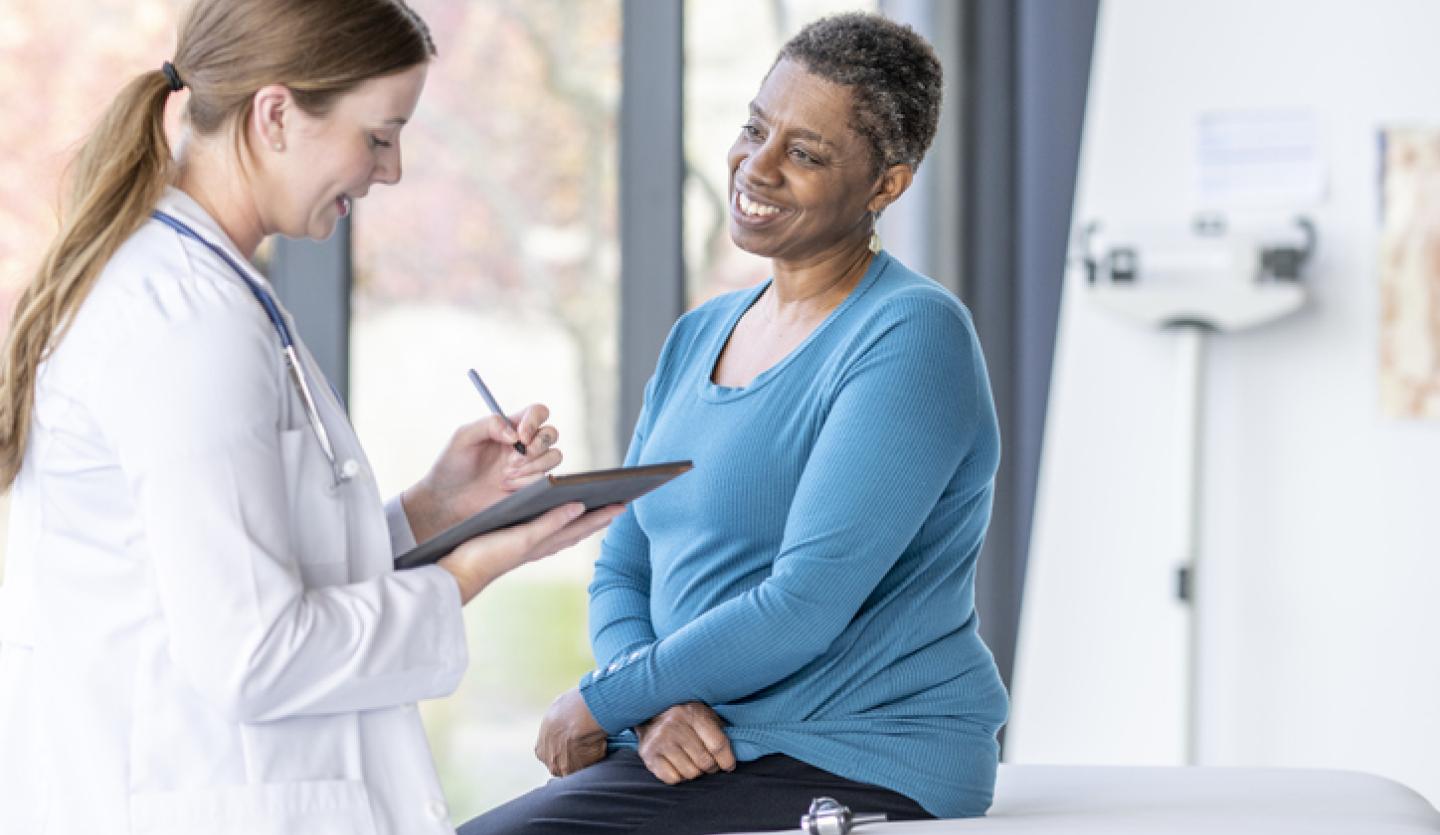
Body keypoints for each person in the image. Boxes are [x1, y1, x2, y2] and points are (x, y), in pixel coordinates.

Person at [0, 1, 621, 833]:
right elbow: (252, 654)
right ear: (276, 115)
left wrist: (436, 508)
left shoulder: (205, 290)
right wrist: (467, 571)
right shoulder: (185, 321)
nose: (391, 170)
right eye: (378, 135)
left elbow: (253, 566)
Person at [460, 12, 1008, 835]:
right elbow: (624, 566)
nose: (757, 165)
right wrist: (649, 707)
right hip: (701, 741)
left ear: (886, 185)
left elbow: (802, 604)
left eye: (805, 152)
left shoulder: (909, 336)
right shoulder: (699, 335)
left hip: (851, 751)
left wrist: (599, 702)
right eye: (756, 128)